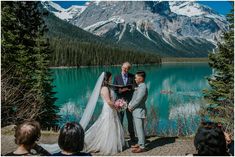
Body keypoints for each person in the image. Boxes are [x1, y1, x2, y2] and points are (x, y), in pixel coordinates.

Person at [83, 71, 125, 155]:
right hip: (108, 109)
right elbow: (109, 101)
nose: (111, 79)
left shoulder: (108, 87)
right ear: (107, 78)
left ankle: (113, 143)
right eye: (110, 77)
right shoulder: (104, 88)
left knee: (112, 125)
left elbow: (111, 99)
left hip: (111, 108)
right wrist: (116, 107)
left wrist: (117, 103)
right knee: (108, 125)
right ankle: (107, 145)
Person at [113, 62, 136, 143]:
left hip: (129, 101)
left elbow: (134, 87)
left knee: (130, 119)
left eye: (127, 68)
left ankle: (132, 137)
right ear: (121, 67)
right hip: (120, 102)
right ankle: (119, 137)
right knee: (120, 119)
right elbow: (115, 89)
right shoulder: (116, 77)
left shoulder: (132, 76)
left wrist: (130, 89)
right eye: (124, 68)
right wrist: (121, 90)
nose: (125, 70)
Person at [128, 71, 148, 153]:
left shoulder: (143, 87)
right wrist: (129, 105)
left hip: (139, 111)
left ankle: (142, 147)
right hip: (137, 111)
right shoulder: (140, 86)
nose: (135, 79)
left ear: (141, 78)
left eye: (136, 77)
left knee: (140, 129)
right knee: (139, 129)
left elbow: (138, 100)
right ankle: (140, 143)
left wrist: (131, 107)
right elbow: (135, 97)